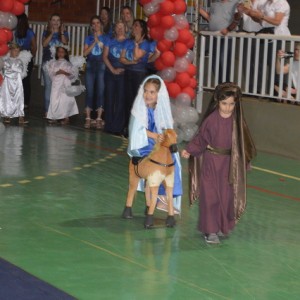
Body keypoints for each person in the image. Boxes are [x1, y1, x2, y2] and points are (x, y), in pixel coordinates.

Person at [181, 82, 256, 244]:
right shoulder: (211, 120)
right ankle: (210, 230)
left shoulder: (237, 122)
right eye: (224, 104)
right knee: (210, 196)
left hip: (228, 165)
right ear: (217, 101)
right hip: (211, 162)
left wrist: (245, 161)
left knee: (226, 196)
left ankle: (222, 225)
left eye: (231, 104)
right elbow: (201, 138)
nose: (228, 108)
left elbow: (243, 143)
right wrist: (190, 150)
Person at [122, 75, 182, 223]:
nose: (148, 95)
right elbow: (137, 130)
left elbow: (165, 128)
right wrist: (154, 136)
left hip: (157, 144)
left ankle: (164, 196)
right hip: (144, 146)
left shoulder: (160, 110)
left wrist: (164, 136)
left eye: (152, 92)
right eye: (146, 91)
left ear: (158, 94)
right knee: (154, 164)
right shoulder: (139, 110)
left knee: (173, 161)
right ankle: (156, 198)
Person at [238, 0, 290, 93]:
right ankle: (262, 91)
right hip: (266, 34)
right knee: (262, 63)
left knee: (277, 64)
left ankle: (278, 92)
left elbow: (277, 21)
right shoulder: (266, 3)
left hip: (278, 35)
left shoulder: (282, 3)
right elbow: (260, 19)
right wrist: (249, 13)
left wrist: (261, 16)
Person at [120, 19, 153, 135]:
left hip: (139, 74)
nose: (134, 28)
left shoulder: (146, 44)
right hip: (128, 72)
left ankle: (138, 127)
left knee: (137, 101)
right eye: (133, 25)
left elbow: (136, 55)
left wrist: (136, 44)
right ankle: (127, 126)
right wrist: (130, 63)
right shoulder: (128, 42)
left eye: (136, 26)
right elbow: (122, 58)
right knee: (127, 100)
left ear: (142, 29)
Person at [197, 0, 241, 83]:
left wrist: (228, 29)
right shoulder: (215, 4)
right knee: (215, 61)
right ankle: (220, 83)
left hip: (226, 37)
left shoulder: (235, 3)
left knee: (223, 61)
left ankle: (225, 84)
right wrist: (200, 9)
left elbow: (237, 19)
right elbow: (210, 18)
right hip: (214, 36)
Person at [42, 13, 69, 118]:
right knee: (48, 87)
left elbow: (65, 43)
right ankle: (47, 111)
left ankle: (59, 111)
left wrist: (61, 33)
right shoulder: (46, 32)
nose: (56, 22)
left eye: (58, 20)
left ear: (60, 22)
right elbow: (44, 44)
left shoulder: (64, 33)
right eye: (54, 20)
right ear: (50, 21)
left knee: (59, 88)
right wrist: (51, 33)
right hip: (48, 63)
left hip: (60, 64)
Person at [44, 46, 79, 124]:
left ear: (65, 53)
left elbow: (72, 75)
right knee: (54, 99)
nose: (60, 53)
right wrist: (57, 73)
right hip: (56, 84)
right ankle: (54, 116)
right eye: (59, 52)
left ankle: (66, 117)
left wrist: (64, 73)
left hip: (65, 83)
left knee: (65, 100)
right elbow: (50, 74)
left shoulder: (68, 64)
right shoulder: (53, 63)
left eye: (62, 52)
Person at [103, 20, 126, 135]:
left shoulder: (128, 42)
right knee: (110, 98)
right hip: (110, 72)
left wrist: (124, 69)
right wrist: (112, 70)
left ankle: (118, 126)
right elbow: (105, 56)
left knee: (120, 100)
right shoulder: (109, 40)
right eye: (118, 27)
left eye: (122, 27)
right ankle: (109, 125)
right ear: (114, 29)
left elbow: (131, 56)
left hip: (123, 73)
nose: (120, 29)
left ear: (125, 28)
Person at [83, 15, 106, 129]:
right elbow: (85, 53)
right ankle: (88, 117)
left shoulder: (106, 38)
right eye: (93, 23)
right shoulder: (88, 38)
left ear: (101, 24)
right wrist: (94, 42)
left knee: (101, 91)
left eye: (98, 23)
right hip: (91, 65)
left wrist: (100, 42)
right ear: (91, 26)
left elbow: (107, 53)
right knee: (90, 91)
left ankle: (99, 118)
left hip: (102, 65)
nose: (96, 25)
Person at [0, 43, 32, 124]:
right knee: (7, 98)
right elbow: (5, 72)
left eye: (18, 51)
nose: (17, 53)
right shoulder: (5, 61)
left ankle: (20, 116)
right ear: (10, 51)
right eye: (15, 51)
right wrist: (13, 69)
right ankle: (7, 115)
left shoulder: (19, 61)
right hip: (7, 83)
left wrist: (11, 68)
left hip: (17, 83)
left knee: (19, 98)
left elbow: (20, 70)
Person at [14, 13, 37, 110]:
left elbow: (34, 46)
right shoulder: (16, 31)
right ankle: (17, 101)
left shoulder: (29, 31)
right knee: (17, 80)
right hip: (17, 56)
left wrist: (32, 57)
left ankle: (26, 102)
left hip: (27, 57)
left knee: (26, 81)